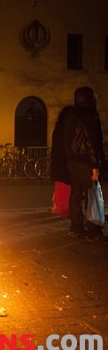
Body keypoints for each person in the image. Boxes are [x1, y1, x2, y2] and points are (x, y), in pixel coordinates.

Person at [61, 86, 105, 237]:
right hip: (86, 161)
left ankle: (76, 226)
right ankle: (93, 226)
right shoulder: (90, 116)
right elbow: (91, 142)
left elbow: (66, 139)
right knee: (91, 193)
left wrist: (68, 158)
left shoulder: (70, 116)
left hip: (73, 160)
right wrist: (95, 165)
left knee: (76, 193)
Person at [49, 105, 74, 219]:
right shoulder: (67, 130)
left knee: (60, 187)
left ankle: (59, 208)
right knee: (66, 187)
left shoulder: (58, 129)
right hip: (65, 163)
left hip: (57, 163)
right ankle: (64, 210)